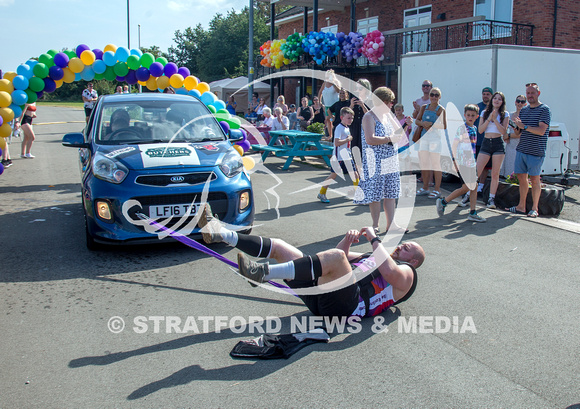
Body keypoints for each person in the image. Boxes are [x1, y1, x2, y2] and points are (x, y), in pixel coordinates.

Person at [198, 204, 425, 318]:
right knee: (279, 246)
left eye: (408, 248)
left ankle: (263, 273)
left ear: (413, 262)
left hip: (350, 308)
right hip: (325, 297)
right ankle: (219, 233)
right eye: (404, 244)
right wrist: (347, 241)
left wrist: (375, 239)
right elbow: (337, 257)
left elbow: (390, 272)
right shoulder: (373, 257)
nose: (402, 245)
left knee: (334, 259)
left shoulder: (407, 275)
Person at [353, 87, 407, 235]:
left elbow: (399, 134)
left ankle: (391, 224)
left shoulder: (388, 116)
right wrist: (389, 138)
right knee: (375, 194)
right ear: (383, 102)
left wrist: (406, 124)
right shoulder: (369, 117)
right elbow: (370, 139)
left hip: (390, 159)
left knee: (390, 193)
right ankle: (375, 225)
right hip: (375, 161)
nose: (392, 105)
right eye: (390, 102)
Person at [436, 104, 486, 222]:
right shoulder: (462, 129)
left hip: (471, 163)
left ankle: (472, 212)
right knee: (467, 187)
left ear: (477, 117)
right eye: (468, 115)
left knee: (473, 187)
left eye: (473, 115)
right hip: (464, 162)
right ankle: (444, 201)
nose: (470, 117)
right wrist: (455, 161)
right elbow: (455, 146)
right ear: (464, 115)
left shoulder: (474, 128)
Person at [508, 83, 551, 218]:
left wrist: (524, 126)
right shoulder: (525, 110)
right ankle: (521, 206)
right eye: (528, 93)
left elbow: (541, 131)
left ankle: (534, 208)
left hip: (536, 151)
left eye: (532, 93)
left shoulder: (544, 110)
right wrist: (517, 128)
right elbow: (521, 131)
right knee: (521, 177)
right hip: (522, 149)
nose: (530, 95)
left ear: (538, 93)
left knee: (535, 179)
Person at [317, 107, 359, 203]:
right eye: (348, 118)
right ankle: (322, 193)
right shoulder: (339, 128)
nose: (351, 120)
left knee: (355, 174)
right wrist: (348, 139)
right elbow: (336, 143)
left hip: (347, 156)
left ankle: (358, 194)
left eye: (352, 118)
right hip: (339, 157)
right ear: (341, 117)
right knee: (333, 175)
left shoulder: (347, 128)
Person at [476, 91, 509, 209]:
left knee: (495, 174)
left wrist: (495, 120)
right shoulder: (484, 112)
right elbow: (480, 130)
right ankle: (469, 194)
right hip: (486, 142)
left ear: (502, 102)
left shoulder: (505, 114)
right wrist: (489, 118)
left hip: (497, 144)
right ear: (492, 100)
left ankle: (491, 198)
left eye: (500, 99)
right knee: (477, 172)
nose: (497, 100)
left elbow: (503, 131)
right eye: (495, 98)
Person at [415, 87, 446, 199]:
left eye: (436, 95)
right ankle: (425, 187)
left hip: (435, 140)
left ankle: (437, 190)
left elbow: (444, 125)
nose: (433, 97)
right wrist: (424, 124)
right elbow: (417, 121)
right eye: (432, 94)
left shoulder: (441, 109)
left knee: (435, 164)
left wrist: (432, 125)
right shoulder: (424, 108)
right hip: (424, 138)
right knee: (424, 163)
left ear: (440, 97)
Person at [501, 95, 527, 177]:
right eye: (518, 101)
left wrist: (509, 135)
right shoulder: (510, 115)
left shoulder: (526, 116)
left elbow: (523, 133)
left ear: (525, 104)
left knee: (519, 169)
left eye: (522, 102)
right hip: (510, 145)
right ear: (515, 102)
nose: (520, 103)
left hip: (521, 145)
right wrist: (505, 135)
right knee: (509, 168)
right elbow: (504, 127)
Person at [350, 79, 371, 154]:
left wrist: (363, 106)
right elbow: (348, 114)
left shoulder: (370, 101)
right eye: (357, 88)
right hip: (354, 127)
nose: (358, 90)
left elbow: (370, 116)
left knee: (363, 149)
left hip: (365, 127)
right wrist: (351, 106)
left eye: (360, 88)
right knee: (354, 148)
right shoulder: (354, 100)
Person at [318, 69, 341, 139]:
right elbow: (320, 92)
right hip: (327, 104)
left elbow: (339, 91)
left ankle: (336, 134)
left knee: (334, 119)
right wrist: (319, 101)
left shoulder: (336, 82)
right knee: (328, 119)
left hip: (334, 104)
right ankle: (330, 135)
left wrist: (333, 83)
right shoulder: (324, 83)